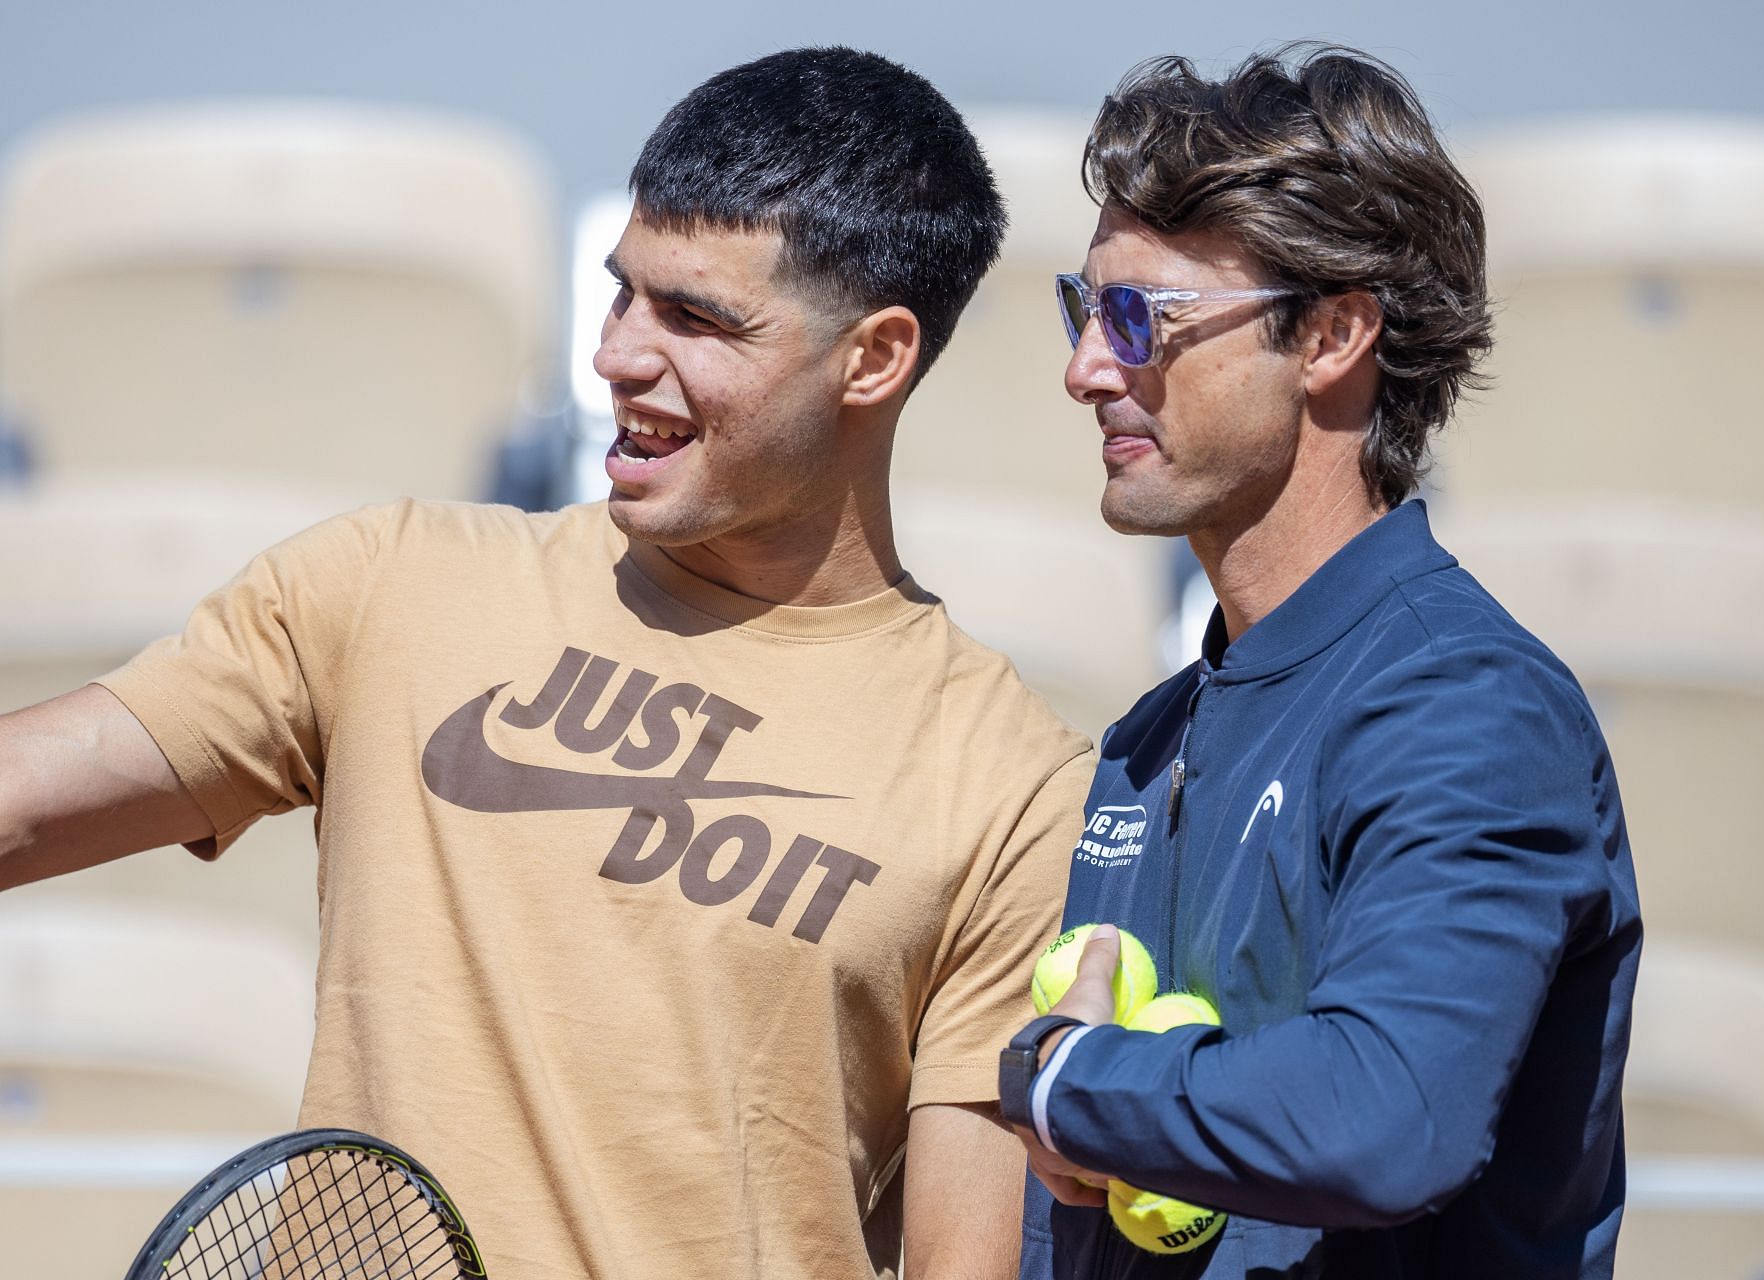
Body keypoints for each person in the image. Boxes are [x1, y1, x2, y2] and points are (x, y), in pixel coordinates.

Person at [0, 48, 1094, 1278]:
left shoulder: (1017, 785)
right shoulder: (386, 583)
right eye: (624, 294)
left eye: (696, 318)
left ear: (875, 357)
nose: (620, 355)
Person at [996, 47, 1641, 1278]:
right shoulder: (1150, 737)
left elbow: (1385, 1113)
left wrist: (1069, 1076)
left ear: (1335, 332)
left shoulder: (1466, 706)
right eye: (1086, 312)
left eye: (1141, 318)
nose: (1087, 369)